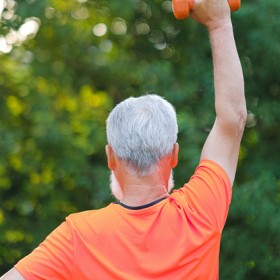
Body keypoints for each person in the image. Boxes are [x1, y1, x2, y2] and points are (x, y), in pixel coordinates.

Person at [1, 0, 247, 279]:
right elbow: (232, 120)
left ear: (110, 157)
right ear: (174, 154)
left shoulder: (77, 237)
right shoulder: (199, 214)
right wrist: (219, 23)